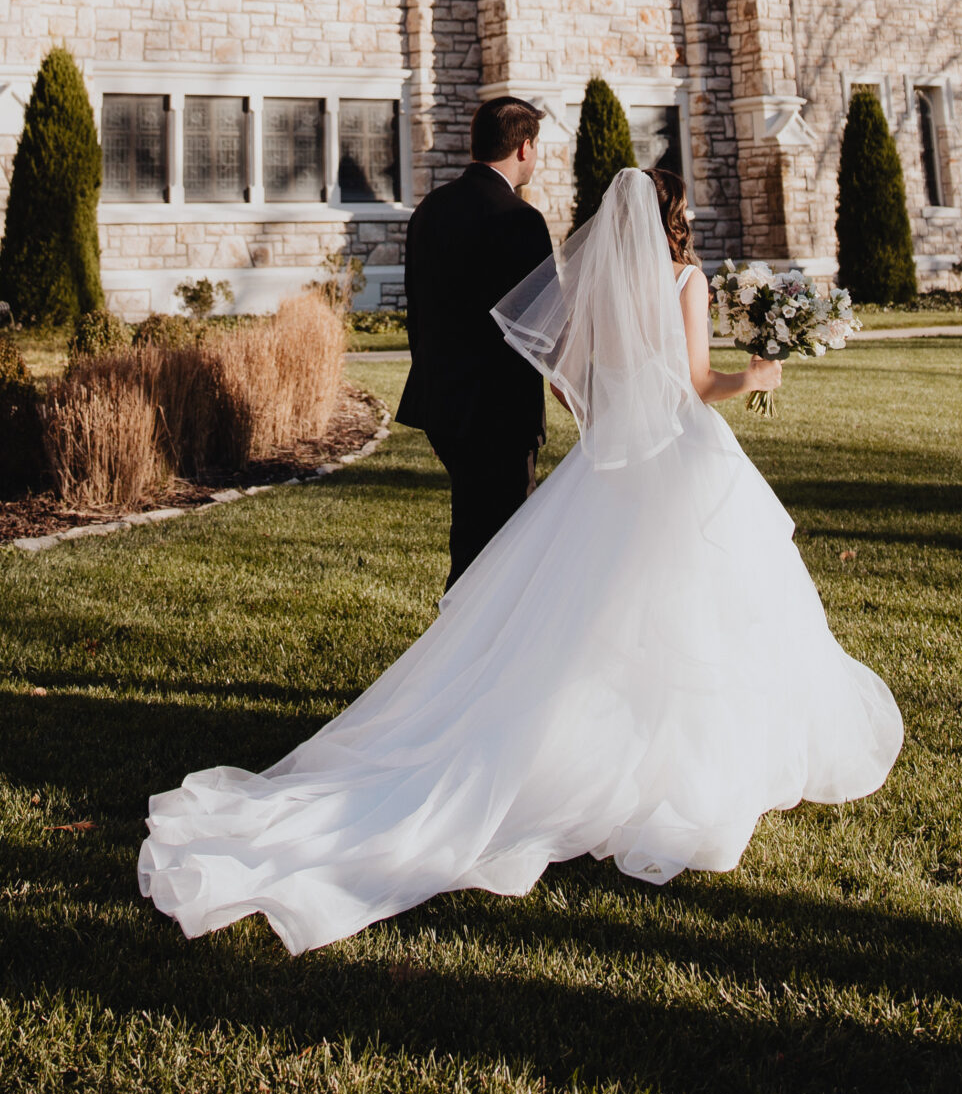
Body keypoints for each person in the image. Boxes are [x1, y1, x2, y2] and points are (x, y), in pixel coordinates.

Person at [139, 166, 903, 956]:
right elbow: (698, 382)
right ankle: (669, 766)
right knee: (697, 610)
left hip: (606, 465)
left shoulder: (595, 286)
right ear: (675, 217)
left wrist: (611, 422)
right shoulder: (684, 280)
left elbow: (574, 382)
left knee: (588, 614)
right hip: (678, 459)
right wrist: (762, 374)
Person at [394, 95, 555, 588]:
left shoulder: (429, 210)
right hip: (500, 416)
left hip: (443, 407)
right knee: (502, 548)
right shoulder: (520, 220)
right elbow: (542, 326)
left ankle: (461, 642)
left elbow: (416, 312)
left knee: (471, 533)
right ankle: (473, 651)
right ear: (524, 148)